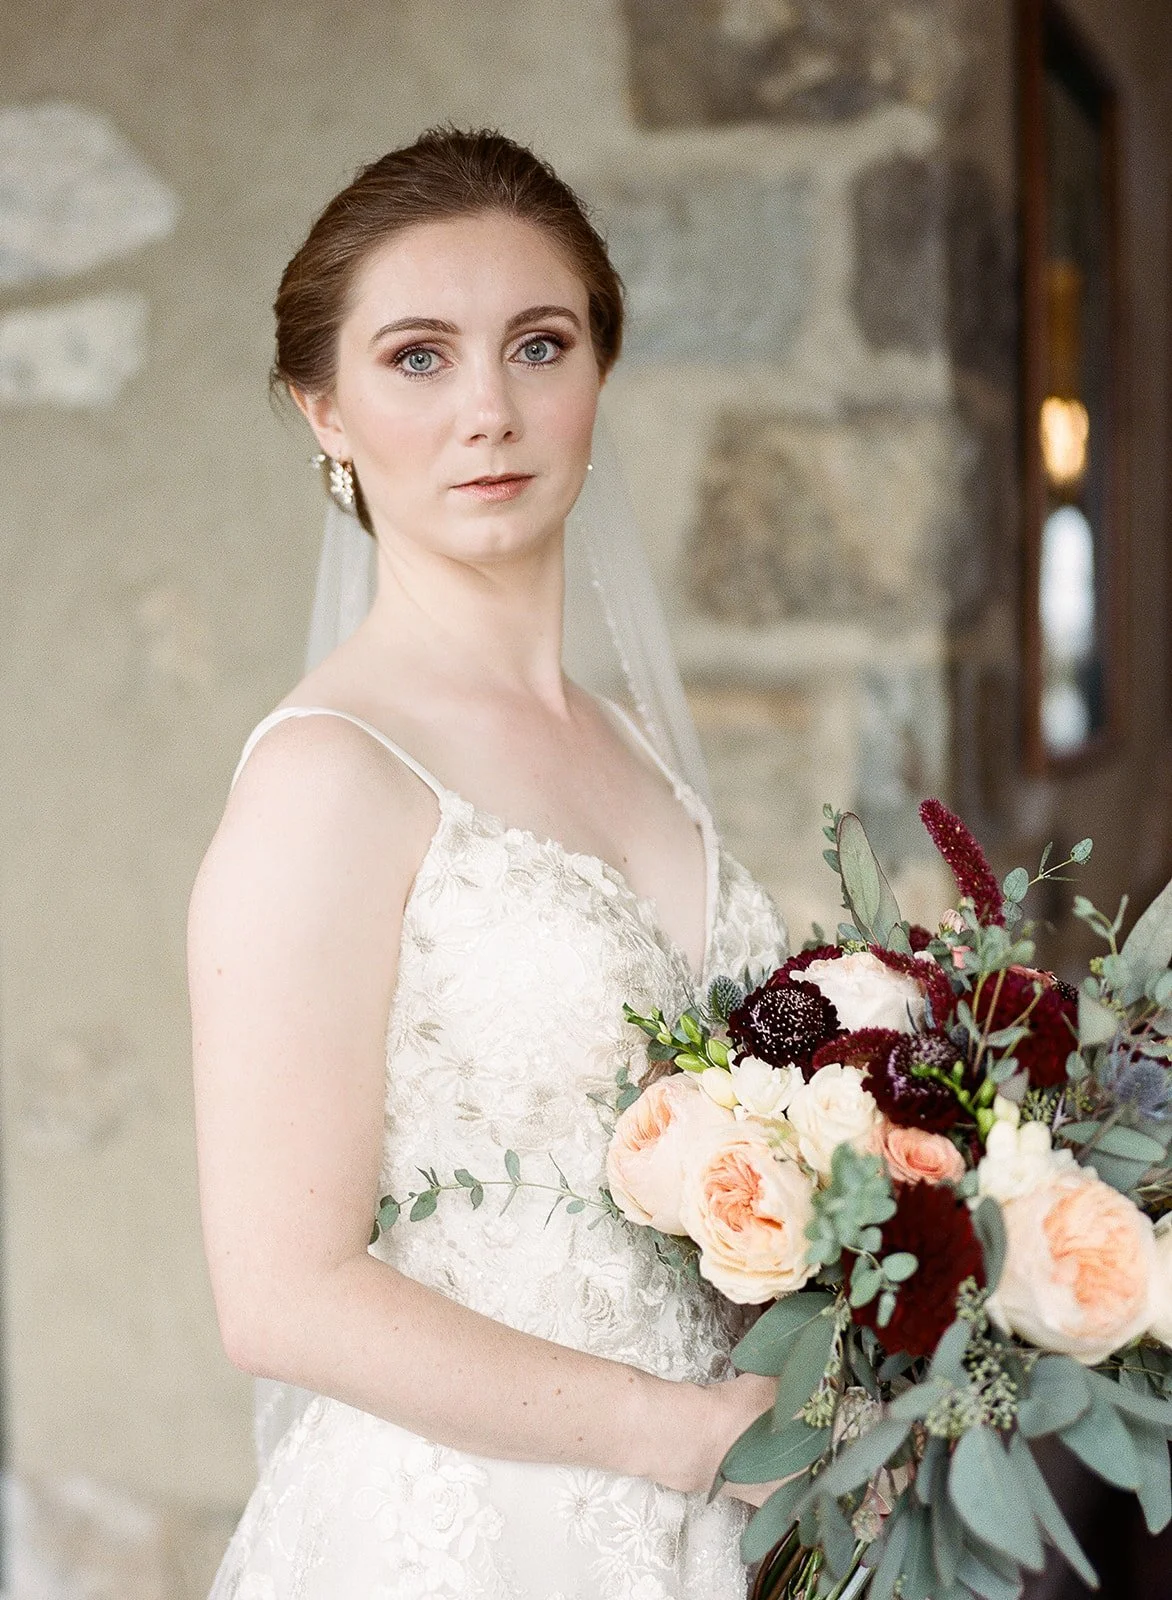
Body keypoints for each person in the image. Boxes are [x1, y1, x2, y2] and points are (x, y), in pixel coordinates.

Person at [189, 125, 791, 1599]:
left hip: (722, 1514)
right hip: (470, 1530)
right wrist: (680, 1435)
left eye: (539, 345)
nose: (489, 413)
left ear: (596, 375)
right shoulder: (328, 776)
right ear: (319, 408)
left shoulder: (631, 746)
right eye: (416, 358)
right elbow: (281, 1295)